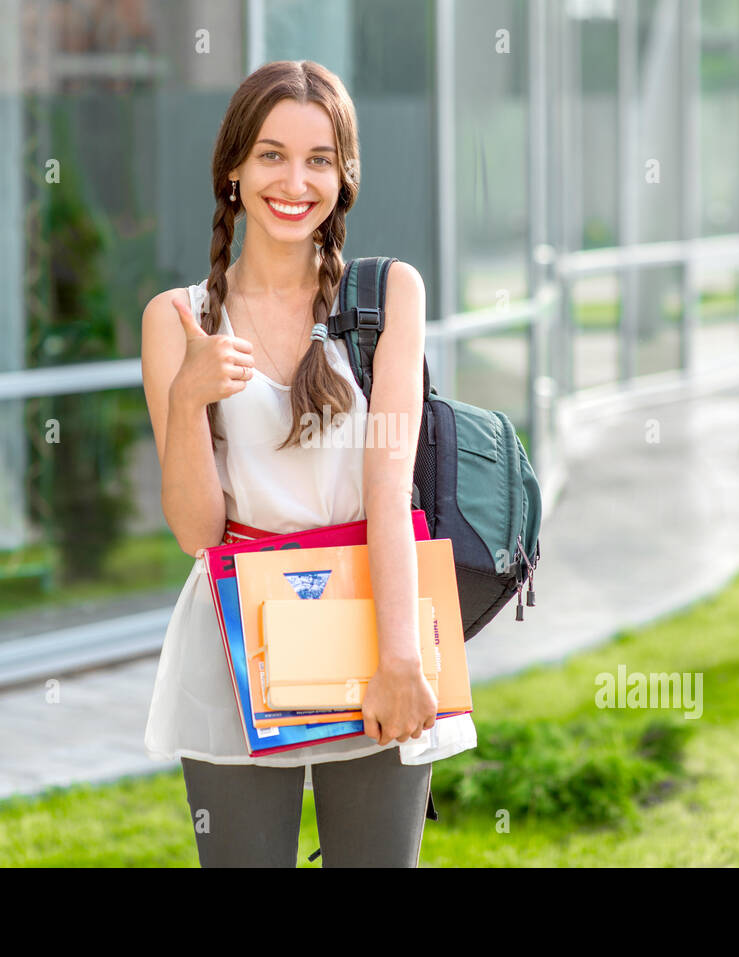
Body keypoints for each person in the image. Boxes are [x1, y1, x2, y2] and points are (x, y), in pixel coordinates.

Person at [140, 60, 477, 867]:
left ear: (344, 173)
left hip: (375, 621)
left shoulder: (389, 294)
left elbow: (388, 490)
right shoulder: (178, 319)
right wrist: (188, 399)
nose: (295, 181)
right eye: (270, 155)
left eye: (319, 158)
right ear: (232, 169)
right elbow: (197, 529)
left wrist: (400, 658)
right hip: (238, 643)